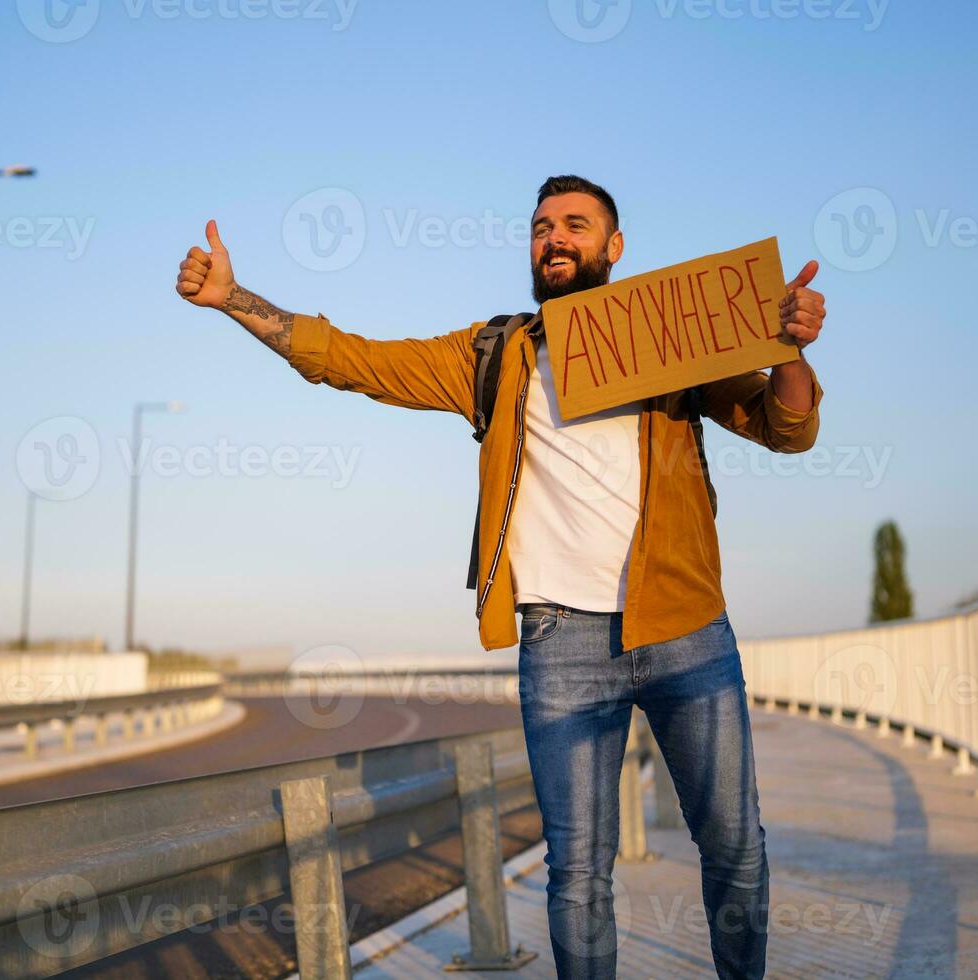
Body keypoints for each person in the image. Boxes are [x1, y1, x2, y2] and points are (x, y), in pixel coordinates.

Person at [175, 175, 826, 979]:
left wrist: (788, 349)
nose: (555, 238)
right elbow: (352, 360)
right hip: (562, 642)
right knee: (578, 875)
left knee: (735, 846)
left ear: (613, 247)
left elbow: (785, 428)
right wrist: (237, 298)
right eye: (541, 226)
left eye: (576, 225)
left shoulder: (672, 338)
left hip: (687, 628)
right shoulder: (497, 355)